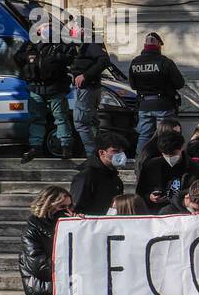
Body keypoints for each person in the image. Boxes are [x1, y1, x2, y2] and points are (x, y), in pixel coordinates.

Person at [19, 26, 75, 162]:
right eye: (42, 28)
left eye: (48, 27)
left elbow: (71, 57)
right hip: (36, 90)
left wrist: (55, 57)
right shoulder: (31, 46)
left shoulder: (60, 45)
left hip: (54, 88)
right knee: (37, 119)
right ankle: (35, 147)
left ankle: (65, 146)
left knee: (60, 117)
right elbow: (18, 58)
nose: (44, 30)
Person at [128, 32, 186, 153]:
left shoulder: (135, 62)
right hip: (163, 105)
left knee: (144, 136)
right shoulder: (165, 62)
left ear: (145, 45)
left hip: (144, 105)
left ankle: (141, 162)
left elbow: (133, 85)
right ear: (159, 45)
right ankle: (164, 161)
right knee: (165, 136)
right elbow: (180, 83)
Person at [137, 131, 199, 213]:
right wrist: (149, 197)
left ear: (181, 148)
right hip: (155, 211)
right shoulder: (150, 166)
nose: (170, 158)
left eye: (173, 154)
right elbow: (140, 192)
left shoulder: (195, 168)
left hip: (181, 212)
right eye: (166, 155)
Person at [69, 34, 110, 158]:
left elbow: (104, 60)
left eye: (75, 25)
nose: (71, 29)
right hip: (88, 88)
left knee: (81, 122)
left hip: (87, 88)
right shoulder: (83, 43)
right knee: (91, 122)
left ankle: (91, 155)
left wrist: (85, 76)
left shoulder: (90, 43)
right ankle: (97, 154)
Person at [70, 132, 127, 215]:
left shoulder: (114, 178)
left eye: (122, 151)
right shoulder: (86, 176)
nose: (120, 155)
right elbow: (76, 208)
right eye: (115, 151)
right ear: (102, 153)